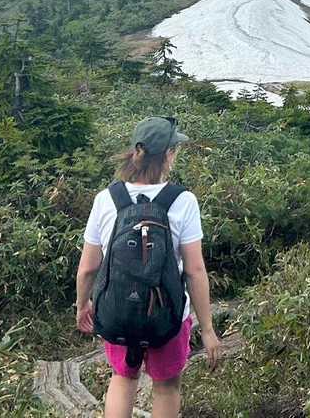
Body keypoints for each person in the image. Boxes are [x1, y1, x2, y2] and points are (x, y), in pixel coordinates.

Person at [76, 116, 221, 418]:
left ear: (135, 151)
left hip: (118, 311)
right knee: (166, 387)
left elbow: (88, 267)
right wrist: (207, 329)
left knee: (122, 379)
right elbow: (194, 270)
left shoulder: (106, 199)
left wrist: (82, 305)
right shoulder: (183, 201)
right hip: (168, 316)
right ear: (168, 155)